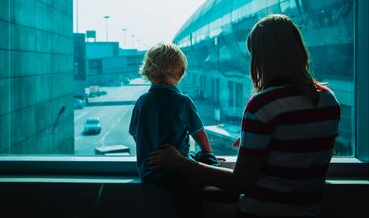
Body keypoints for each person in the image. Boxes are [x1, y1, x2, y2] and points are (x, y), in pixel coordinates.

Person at [148, 15, 340, 218]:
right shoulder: (328, 100)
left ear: (262, 58)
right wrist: (263, 143)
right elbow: (301, 149)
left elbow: (239, 183)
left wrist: (181, 162)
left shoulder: (263, 105)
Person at [129, 42, 218, 217]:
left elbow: (135, 133)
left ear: (148, 72)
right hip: (177, 171)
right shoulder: (182, 101)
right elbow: (199, 134)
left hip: (148, 171)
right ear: (182, 72)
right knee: (201, 165)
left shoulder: (142, 101)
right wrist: (209, 154)